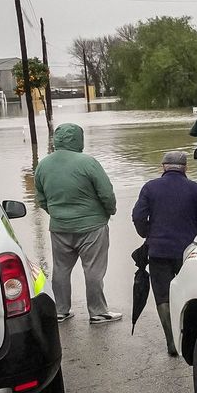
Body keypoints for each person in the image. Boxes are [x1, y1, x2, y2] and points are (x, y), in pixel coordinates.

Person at [33, 123, 121, 323]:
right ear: (78, 139)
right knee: (93, 269)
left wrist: (56, 213)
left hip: (59, 227)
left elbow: (41, 198)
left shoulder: (43, 165)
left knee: (61, 269)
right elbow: (106, 193)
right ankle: (97, 312)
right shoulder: (88, 162)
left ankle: (61, 310)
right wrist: (110, 212)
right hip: (92, 226)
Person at [132, 150, 197, 356]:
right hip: (188, 252)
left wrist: (148, 233)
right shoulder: (195, 189)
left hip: (158, 251)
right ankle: (191, 337)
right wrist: (196, 240)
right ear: (185, 168)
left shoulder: (150, 188)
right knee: (191, 292)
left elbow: (138, 216)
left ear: (163, 167)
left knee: (162, 296)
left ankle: (171, 341)